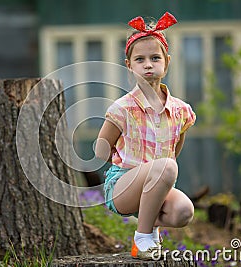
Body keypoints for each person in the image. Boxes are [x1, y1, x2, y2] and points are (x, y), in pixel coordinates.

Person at [95, 12, 196, 260]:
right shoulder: (122, 108)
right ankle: (143, 238)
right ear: (129, 66)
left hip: (158, 183)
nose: (148, 64)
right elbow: (100, 150)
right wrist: (125, 162)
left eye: (154, 58)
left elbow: (174, 149)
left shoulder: (181, 111)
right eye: (140, 59)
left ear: (167, 62)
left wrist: (158, 174)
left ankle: (149, 227)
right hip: (123, 186)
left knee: (183, 211)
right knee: (167, 167)